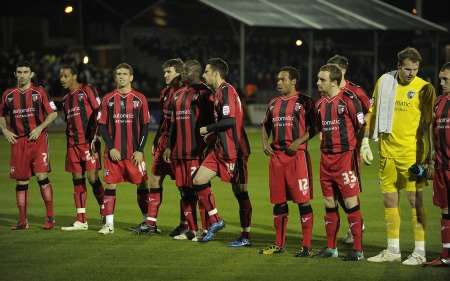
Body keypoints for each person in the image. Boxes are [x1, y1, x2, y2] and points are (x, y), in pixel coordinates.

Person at [367, 47, 435, 265]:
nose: (411, 73)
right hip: (387, 152)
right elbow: (373, 112)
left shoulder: (424, 88)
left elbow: (430, 124)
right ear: (398, 66)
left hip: (413, 154)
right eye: (407, 69)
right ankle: (393, 249)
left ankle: (420, 251)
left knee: (416, 201)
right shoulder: (384, 82)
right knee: (389, 200)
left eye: (415, 69)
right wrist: (364, 142)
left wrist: (430, 155)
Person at [191, 58, 251, 243]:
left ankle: (245, 235)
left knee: (240, 193)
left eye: (207, 72)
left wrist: (207, 129)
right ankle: (216, 219)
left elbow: (230, 120)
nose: (203, 75)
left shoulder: (227, 91)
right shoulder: (217, 93)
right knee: (198, 180)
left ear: (216, 74)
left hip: (236, 151)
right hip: (219, 150)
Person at [260, 66, 315, 256]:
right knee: (279, 202)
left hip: (296, 157)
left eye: (282, 79)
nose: (278, 82)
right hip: (276, 158)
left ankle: (306, 246)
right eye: (277, 79)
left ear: (293, 81)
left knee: (303, 202)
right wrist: (265, 142)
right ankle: (278, 244)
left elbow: (316, 127)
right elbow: (265, 125)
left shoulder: (305, 101)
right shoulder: (273, 103)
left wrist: (298, 141)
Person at [158, 59, 214, 241]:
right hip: (179, 152)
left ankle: (206, 230)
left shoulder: (205, 93)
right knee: (184, 192)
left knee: (199, 190)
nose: (182, 73)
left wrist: (209, 146)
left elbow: (211, 122)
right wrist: (168, 146)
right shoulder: (178, 94)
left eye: (185, 70)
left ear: (195, 72)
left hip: (196, 152)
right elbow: (173, 123)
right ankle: (191, 230)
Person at [315, 64, 365, 261]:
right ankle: (331, 248)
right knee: (329, 203)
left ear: (335, 82)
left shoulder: (349, 101)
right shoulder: (319, 105)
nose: (318, 83)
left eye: (322, 80)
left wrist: (357, 149)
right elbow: (319, 129)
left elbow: (360, 126)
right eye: (318, 79)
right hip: (325, 160)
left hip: (345, 159)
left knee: (351, 203)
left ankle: (358, 250)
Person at [129, 58, 185, 235]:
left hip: (179, 144)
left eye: (169, 71)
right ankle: (151, 223)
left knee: (184, 186)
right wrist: (155, 140)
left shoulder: (185, 93)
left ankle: (186, 223)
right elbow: (164, 119)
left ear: (179, 73)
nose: (165, 75)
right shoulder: (165, 93)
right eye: (165, 71)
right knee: (154, 179)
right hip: (164, 142)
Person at [0, 61, 58, 230]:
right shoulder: (8, 94)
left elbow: (53, 113)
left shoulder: (39, 92)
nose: (22, 74)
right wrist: (4, 130)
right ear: (15, 74)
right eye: (19, 72)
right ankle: (22, 221)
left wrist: (40, 128)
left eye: (26, 72)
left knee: (42, 177)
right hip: (18, 141)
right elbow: (1, 115)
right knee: (21, 181)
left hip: (38, 140)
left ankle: (50, 217)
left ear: (31, 74)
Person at [97, 63, 150, 234]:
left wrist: (140, 149)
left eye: (125, 74)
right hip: (114, 154)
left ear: (131, 77)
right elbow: (103, 126)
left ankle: (147, 221)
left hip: (134, 154)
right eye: (118, 73)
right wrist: (111, 147)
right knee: (110, 185)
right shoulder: (108, 99)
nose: (121, 76)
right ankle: (109, 225)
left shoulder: (140, 99)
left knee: (142, 185)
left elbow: (145, 126)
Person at [327, 55, 371, 244]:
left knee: (349, 191)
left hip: (350, 149)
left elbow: (369, 112)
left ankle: (356, 226)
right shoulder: (328, 91)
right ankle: (356, 225)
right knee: (335, 193)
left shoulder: (355, 91)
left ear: (343, 70)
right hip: (331, 150)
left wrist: (365, 141)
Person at [59, 65, 105, 231]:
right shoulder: (65, 100)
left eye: (65, 76)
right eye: (61, 76)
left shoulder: (87, 90)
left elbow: (99, 111)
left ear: (74, 76)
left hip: (89, 142)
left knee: (93, 178)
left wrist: (96, 134)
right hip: (72, 144)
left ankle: (104, 210)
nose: (62, 79)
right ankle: (81, 219)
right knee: (77, 179)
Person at [423, 62, 450, 267]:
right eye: (441, 78)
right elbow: (432, 130)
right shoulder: (439, 102)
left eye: (445, 79)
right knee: (445, 211)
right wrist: (431, 155)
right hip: (441, 166)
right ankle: (446, 255)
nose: (441, 83)